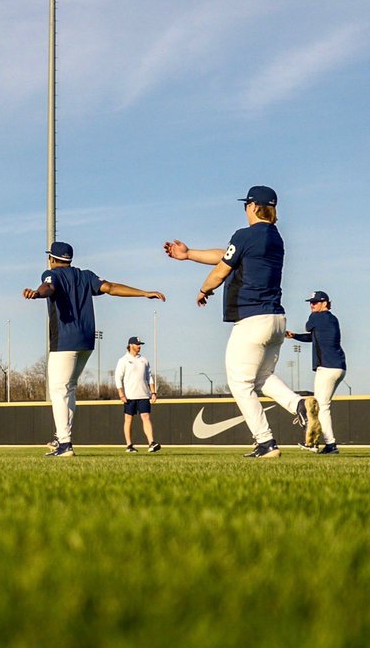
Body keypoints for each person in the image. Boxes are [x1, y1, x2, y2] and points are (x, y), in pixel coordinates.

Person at [164, 184, 318, 460]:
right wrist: (188, 254)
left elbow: (222, 269)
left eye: (246, 205)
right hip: (276, 319)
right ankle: (299, 405)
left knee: (239, 383)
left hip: (252, 319)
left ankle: (265, 442)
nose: (245, 210)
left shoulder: (245, 235)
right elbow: (226, 255)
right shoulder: (274, 237)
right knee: (261, 377)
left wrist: (203, 290)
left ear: (253, 206)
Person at [23, 241, 166, 459]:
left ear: (52, 259)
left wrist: (37, 293)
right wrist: (143, 293)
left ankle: (64, 443)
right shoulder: (85, 275)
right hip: (87, 341)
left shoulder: (52, 274)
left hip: (65, 341)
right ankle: (61, 436)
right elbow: (111, 287)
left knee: (59, 391)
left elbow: (49, 287)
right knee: (69, 388)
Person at [286, 291, 346, 455]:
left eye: (315, 302)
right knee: (322, 406)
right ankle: (322, 443)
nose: (312, 305)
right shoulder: (332, 319)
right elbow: (313, 337)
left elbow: (308, 326)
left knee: (320, 407)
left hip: (326, 367)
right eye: (311, 302)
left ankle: (326, 444)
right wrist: (295, 336)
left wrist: (313, 317)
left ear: (325, 303)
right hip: (339, 367)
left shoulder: (317, 317)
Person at [114, 336, 160, 453]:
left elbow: (149, 377)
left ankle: (151, 443)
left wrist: (153, 392)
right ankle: (129, 445)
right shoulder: (123, 360)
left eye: (140, 344)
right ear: (130, 345)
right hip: (129, 396)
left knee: (146, 417)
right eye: (137, 344)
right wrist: (121, 394)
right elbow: (118, 378)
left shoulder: (144, 360)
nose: (139, 346)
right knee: (128, 419)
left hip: (144, 395)